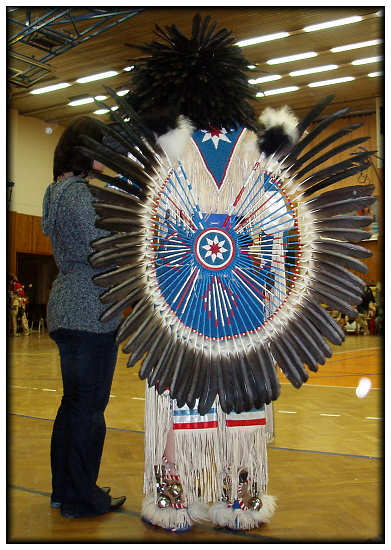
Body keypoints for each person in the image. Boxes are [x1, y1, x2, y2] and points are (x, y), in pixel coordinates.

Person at [41, 117, 125, 518]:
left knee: (73, 406)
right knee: (89, 409)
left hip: (68, 304)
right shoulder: (80, 195)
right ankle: (82, 497)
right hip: (88, 309)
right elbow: (105, 244)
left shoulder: (58, 191)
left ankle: (66, 490)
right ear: (90, 151)